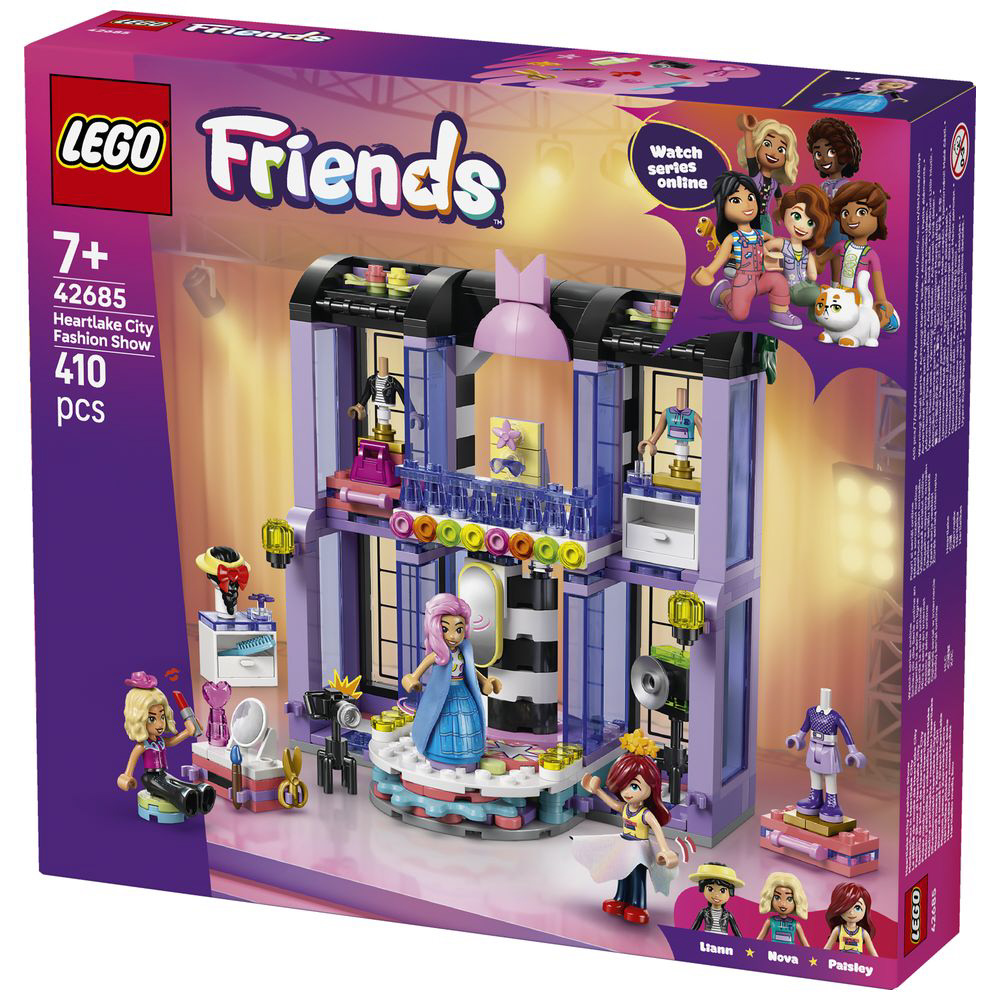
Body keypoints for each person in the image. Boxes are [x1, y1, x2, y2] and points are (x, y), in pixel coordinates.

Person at [571, 730, 679, 925]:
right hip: (624, 844)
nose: (627, 792)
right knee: (622, 872)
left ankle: (638, 904)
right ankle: (621, 899)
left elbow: (658, 830)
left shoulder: (645, 814)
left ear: (651, 787)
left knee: (636, 877)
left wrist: (665, 850)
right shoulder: (626, 807)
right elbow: (613, 804)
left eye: (634, 786)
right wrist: (597, 790)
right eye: (623, 786)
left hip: (639, 849)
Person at [401, 593, 501, 770]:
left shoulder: (464, 652)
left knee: (467, 723)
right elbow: (415, 674)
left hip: (462, 692)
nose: (453, 636)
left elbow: (470, 670)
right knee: (440, 723)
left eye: (459, 629)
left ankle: (468, 757)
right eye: (446, 629)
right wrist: (412, 680)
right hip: (442, 696)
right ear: (435, 629)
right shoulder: (437, 655)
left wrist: (485, 682)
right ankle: (439, 755)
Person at [691, 171, 800, 330]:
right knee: (739, 315)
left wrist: (789, 246)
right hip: (742, 283)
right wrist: (708, 272)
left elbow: (777, 242)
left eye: (750, 198)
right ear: (723, 207)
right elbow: (720, 259)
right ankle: (724, 294)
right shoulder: (732, 238)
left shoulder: (760, 233)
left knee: (778, 281)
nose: (747, 205)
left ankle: (780, 313)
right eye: (736, 200)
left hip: (760, 279)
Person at [117, 671, 216, 816]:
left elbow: (172, 741)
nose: (160, 724)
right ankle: (183, 799)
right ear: (138, 719)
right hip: (150, 778)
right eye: (152, 719)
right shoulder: (142, 746)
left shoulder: (160, 741)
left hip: (163, 774)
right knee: (175, 790)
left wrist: (187, 732)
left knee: (182, 784)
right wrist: (127, 777)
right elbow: (130, 765)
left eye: (162, 717)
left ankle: (200, 793)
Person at [767, 185, 833, 311]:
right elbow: (764, 248)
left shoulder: (806, 252)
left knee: (824, 293)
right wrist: (770, 257)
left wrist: (811, 275)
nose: (802, 226)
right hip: (791, 288)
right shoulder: (782, 243)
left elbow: (813, 276)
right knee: (819, 295)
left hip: (807, 284)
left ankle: (815, 315)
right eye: (797, 216)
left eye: (810, 223)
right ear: (785, 213)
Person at [735, 114, 800, 233]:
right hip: (750, 216)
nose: (773, 153)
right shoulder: (755, 174)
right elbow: (750, 155)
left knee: (769, 240)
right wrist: (748, 131)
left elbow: (779, 199)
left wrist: (779, 211)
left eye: (781, 150)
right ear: (758, 144)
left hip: (765, 218)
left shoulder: (775, 183)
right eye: (767, 144)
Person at [690, 862, 744, 936]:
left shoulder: (728, 915)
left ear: (730, 892)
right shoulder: (704, 912)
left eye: (722, 890)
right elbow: (693, 930)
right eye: (710, 889)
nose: (716, 895)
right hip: (707, 939)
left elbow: (738, 934)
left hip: (723, 941)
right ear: (703, 889)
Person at [824, 882, 878, 956]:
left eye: (857, 908)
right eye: (846, 907)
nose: (852, 913)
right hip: (841, 960)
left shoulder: (863, 933)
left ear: (865, 909)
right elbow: (826, 949)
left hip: (857, 961)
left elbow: (874, 954)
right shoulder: (838, 930)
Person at [756, 872, 810, 945]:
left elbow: (806, 947)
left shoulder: (796, 925)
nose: (783, 904)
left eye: (789, 899)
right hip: (773, 950)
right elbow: (757, 941)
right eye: (777, 897)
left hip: (790, 952)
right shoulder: (770, 921)